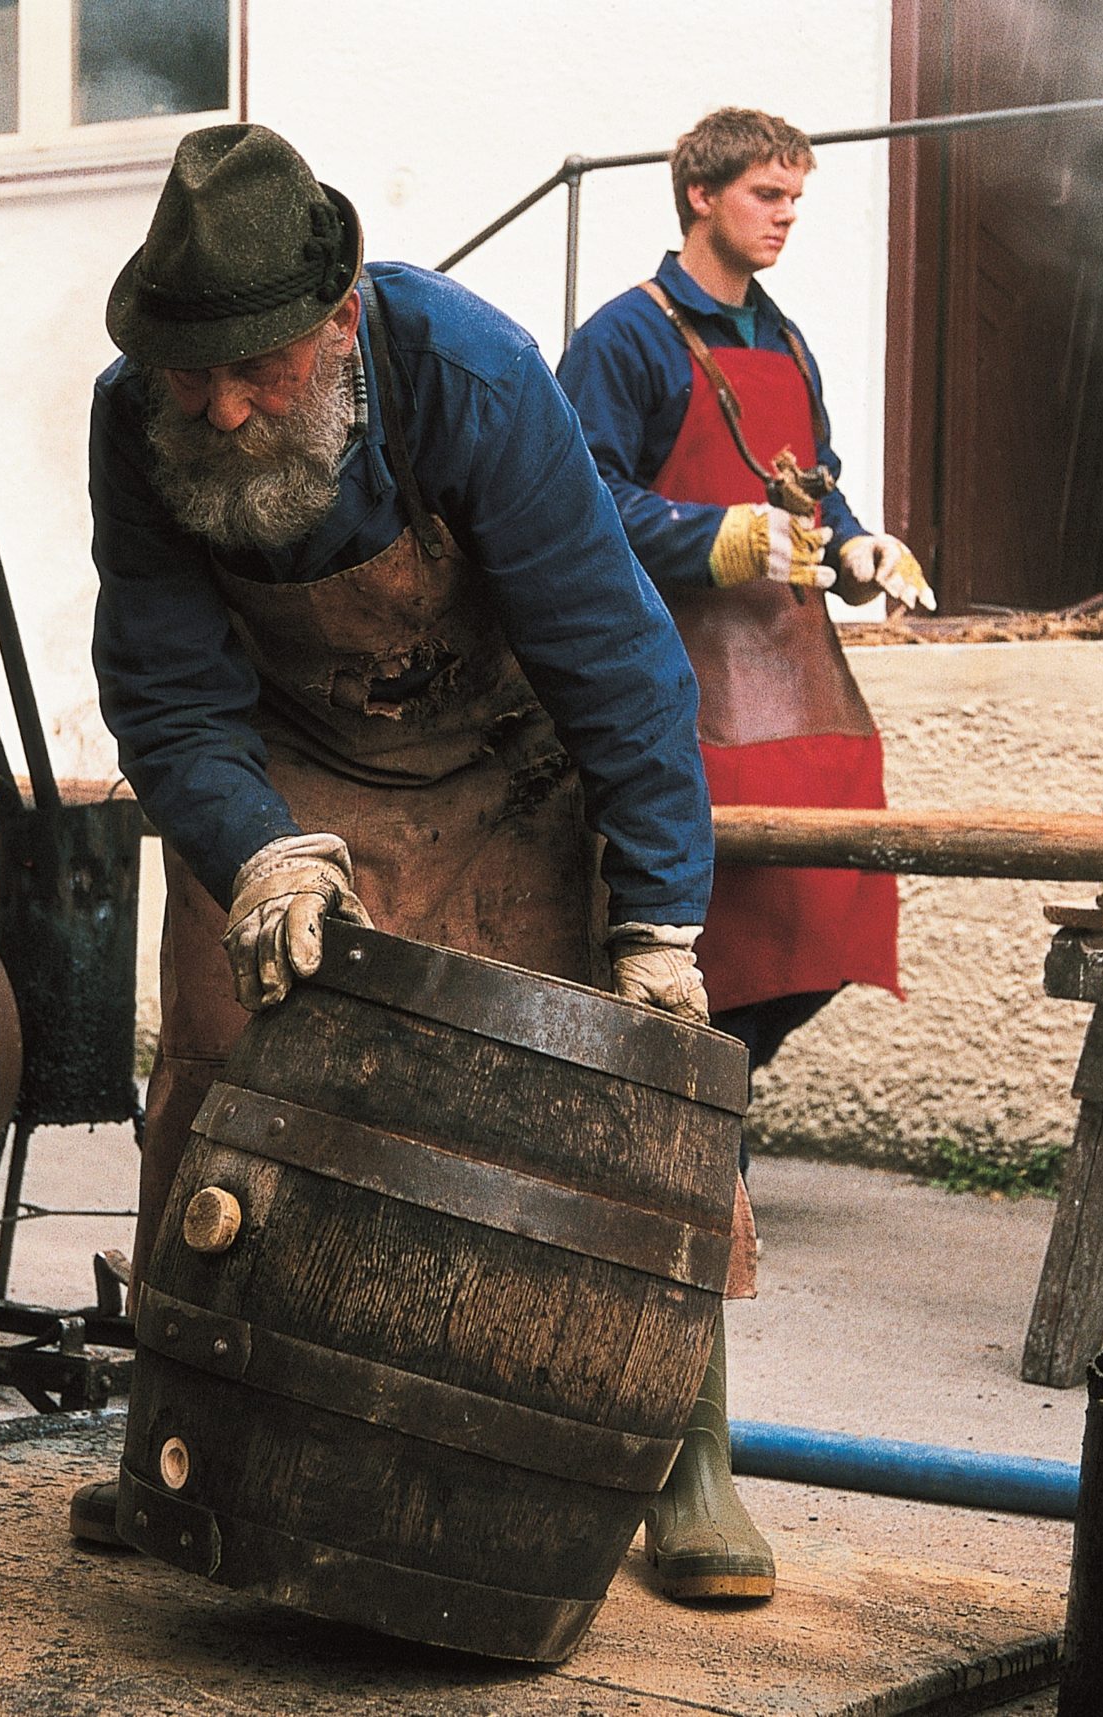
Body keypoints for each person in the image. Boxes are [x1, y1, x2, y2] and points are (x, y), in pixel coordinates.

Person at [77, 121, 774, 1602]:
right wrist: (256, 853)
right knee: (213, 1066)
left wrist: (658, 920)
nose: (221, 408)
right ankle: (184, 1435)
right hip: (279, 780)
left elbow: (615, 658)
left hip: (498, 759)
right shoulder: (142, 422)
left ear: (336, 321)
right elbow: (164, 691)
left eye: (254, 369)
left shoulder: (471, 374)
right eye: (189, 373)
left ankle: (683, 1464)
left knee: (608, 1102)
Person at [557, 107, 926, 1104]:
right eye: (767, 195)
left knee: (829, 909)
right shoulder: (622, 337)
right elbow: (577, 506)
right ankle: (692, 1114)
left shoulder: (788, 341)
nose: (785, 217)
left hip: (797, 684)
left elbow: (815, 478)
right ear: (700, 196)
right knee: (701, 930)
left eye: (796, 199)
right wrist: (712, 536)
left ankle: (713, 1090)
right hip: (673, 680)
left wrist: (854, 544)